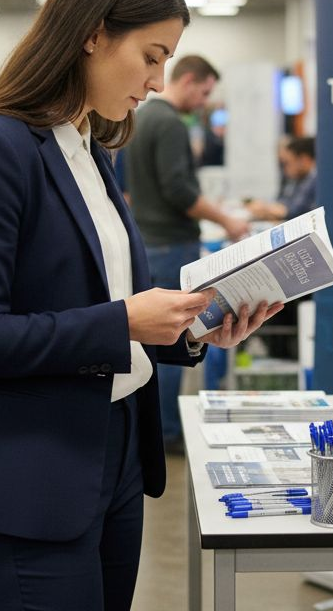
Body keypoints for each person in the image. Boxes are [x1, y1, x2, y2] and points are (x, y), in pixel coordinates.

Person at [0, 0, 282, 610]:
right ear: (91, 33)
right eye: (150, 57)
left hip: (112, 449)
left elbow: (101, 303)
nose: (156, 80)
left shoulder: (87, 146)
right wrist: (124, 323)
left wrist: (198, 331)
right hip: (29, 470)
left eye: (167, 62)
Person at [124, 54, 250, 453]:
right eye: (205, 92)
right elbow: (179, 190)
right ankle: (166, 434)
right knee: (174, 335)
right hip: (172, 244)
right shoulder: (171, 124)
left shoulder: (140, 118)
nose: (203, 102)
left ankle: (157, 429)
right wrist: (227, 220)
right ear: (191, 81)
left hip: (148, 240)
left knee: (155, 338)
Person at [246, 136, 316, 221]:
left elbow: (294, 211)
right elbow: (284, 202)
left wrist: (266, 208)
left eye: (287, 163)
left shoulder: (313, 179)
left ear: (304, 160)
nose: (284, 169)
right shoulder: (299, 179)